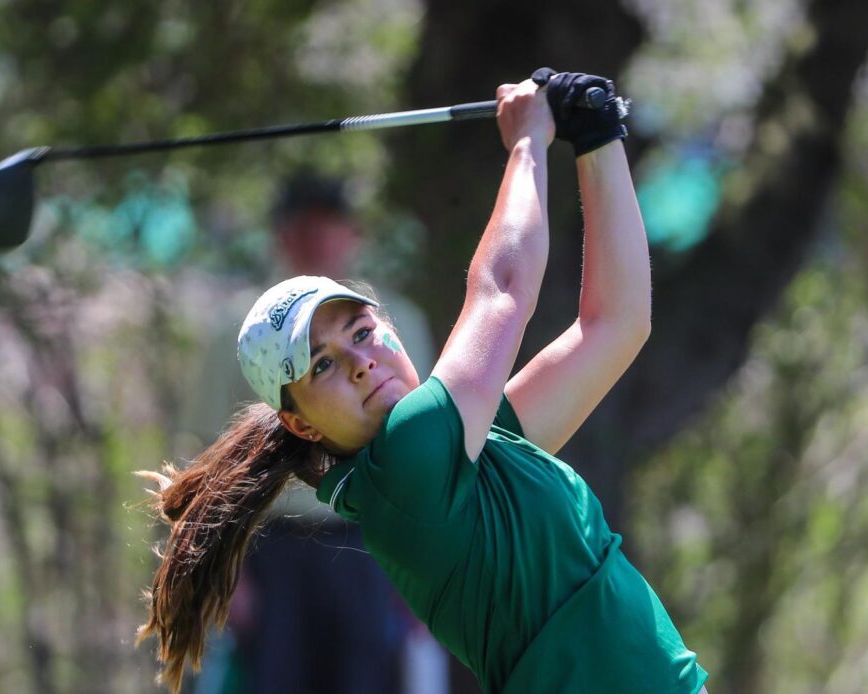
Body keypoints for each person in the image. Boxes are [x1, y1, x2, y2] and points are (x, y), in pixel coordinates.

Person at [139, 70, 710, 694]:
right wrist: (527, 142)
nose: (358, 362)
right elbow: (501, 291)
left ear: (390, 329)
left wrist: (599, 139)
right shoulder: (409, 457)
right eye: (321, 365)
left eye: (359, 332)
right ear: (300, 423)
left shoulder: (472, 446)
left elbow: (616, 324)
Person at [182, 171, 442, 694]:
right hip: (272, 549)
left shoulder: (397, 321)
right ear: (281, 236)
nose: (317, 239)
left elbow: (429, 452)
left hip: (373, 544)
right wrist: (227, 575)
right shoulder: (241, 331)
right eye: (302, 227)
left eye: (330, 225)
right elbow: (205, 458)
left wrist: (425, 564)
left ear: (353, 233)